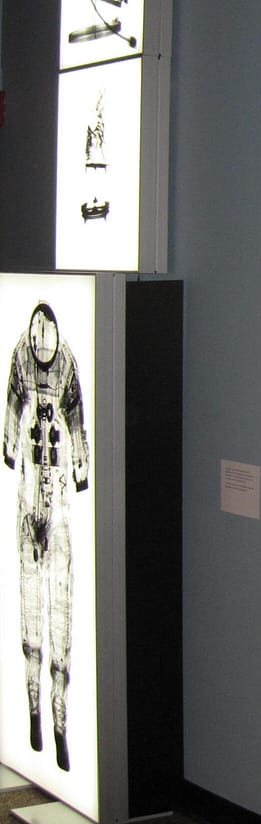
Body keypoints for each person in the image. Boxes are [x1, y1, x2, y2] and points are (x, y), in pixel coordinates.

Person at [3, 302, 91, 772]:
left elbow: (77, 422)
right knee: (31, 615)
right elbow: (11, 411)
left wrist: (80, 465)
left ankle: (59, 723)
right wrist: (10, 446)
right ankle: (34, 711)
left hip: (55, 509)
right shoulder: (20, 358)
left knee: (60, 616)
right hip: (28, 504)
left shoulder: (68, 365)